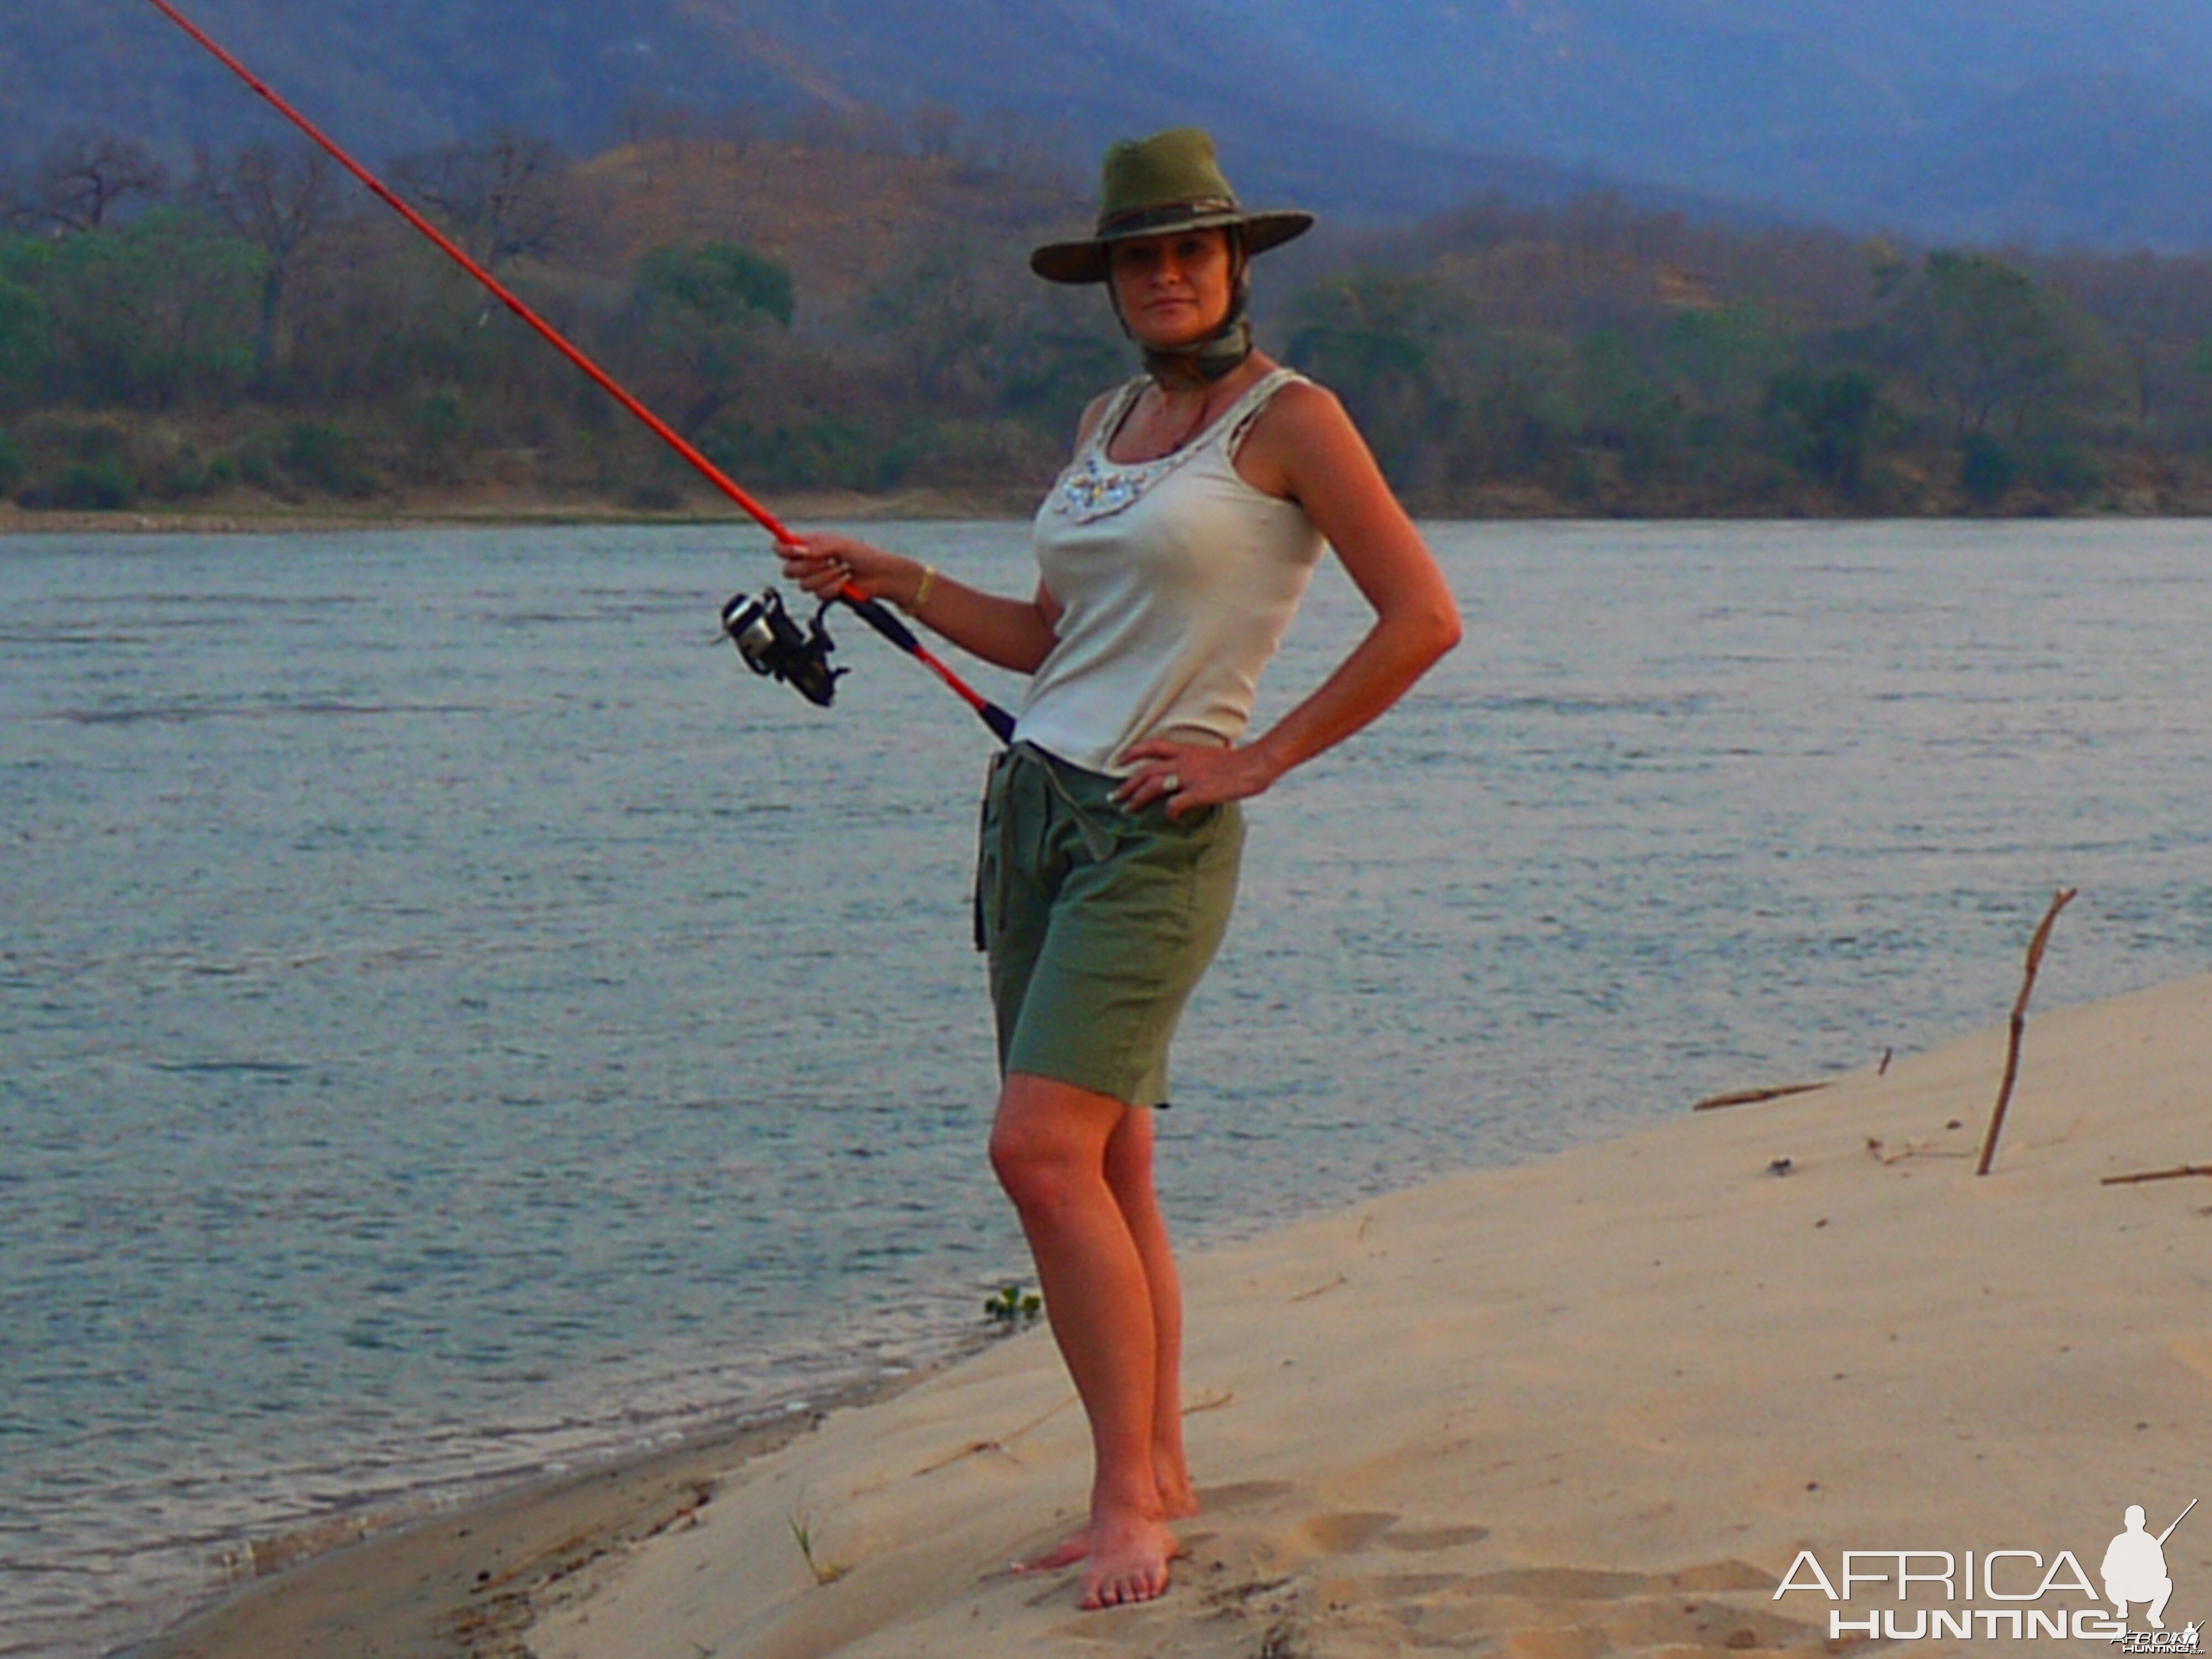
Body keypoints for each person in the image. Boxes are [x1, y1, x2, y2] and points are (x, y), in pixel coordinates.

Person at [779, 128, 1459, 1610]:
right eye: (1137, 257)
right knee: (1108, 1158)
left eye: (1187, 252)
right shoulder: (1107, 420)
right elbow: (1048, 641)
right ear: (1113, 281)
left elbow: (1422, 618)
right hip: (1034, 812)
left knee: (1034, 1153)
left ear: (1233, 265)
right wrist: (897, 581)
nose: (1163, 276)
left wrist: (1254, 759)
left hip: (1158, 832)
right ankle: (1155, 1472)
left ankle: (1120, 1514)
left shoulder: (1293, 421)